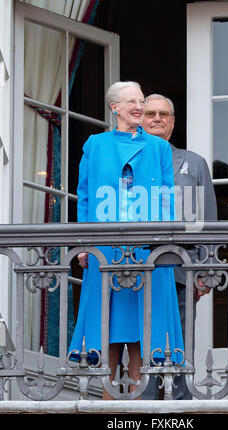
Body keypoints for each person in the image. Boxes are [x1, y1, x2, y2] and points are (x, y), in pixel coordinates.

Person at [69, 82, 184, 400]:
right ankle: (108, 405)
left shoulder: (159, 148)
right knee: (108, 327)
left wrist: (164, 241)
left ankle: (136, 403)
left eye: (141, 100)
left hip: (147, 248)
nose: (138, 106)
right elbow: (86, 196)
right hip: (105, 247)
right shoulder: (95, 145)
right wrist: (83, 241)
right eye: (131, 101)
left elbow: (166, 199)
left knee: (142, 330)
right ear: (114, 108)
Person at [142, 93, 217, 399]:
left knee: (180, 343)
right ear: (140, 119)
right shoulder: (127, 162)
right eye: (150, 113)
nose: (157, 118)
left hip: (179, 270)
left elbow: (207, 220)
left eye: (163, 114)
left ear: (172, 123)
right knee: (140, 342)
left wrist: (205, 268)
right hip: (133, 267)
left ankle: (182, 404)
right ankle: (143, 402)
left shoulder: (193, 163)